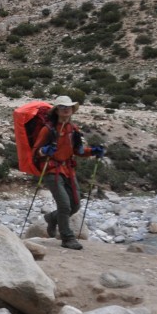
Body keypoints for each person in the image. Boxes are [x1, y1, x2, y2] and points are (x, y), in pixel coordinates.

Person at [32, 96, 105, 250]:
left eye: (69, 106)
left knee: (76, 205)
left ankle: (51, 218)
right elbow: (35, 153)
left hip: (68, 170)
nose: (66, 109)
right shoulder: (48, 130)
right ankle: (67, 238)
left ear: (72, 110)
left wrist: (92, 151)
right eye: (62, 106)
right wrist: (44, 151)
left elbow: (78, 151)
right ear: (57, 110)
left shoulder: (74, 130)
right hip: (52, 170)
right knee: (64, 205)